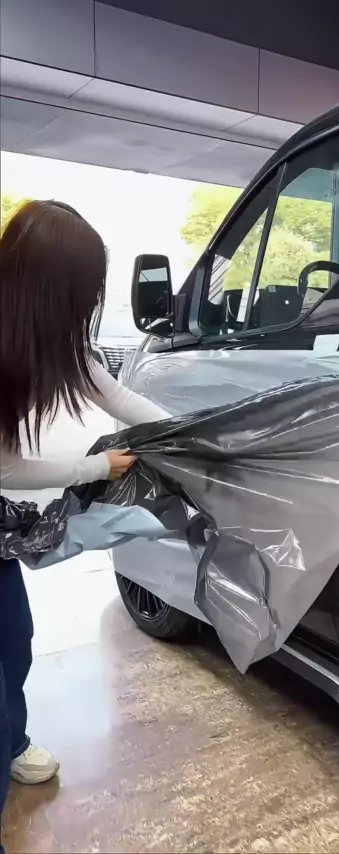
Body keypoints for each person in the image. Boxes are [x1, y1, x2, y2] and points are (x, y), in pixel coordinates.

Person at [0, 200, 169, 823]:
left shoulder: (59, 344)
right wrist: (96, 468)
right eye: (85, 288)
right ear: (51, 288)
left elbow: (121, 399)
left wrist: (200, 436)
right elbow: (3, 469)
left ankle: (12, 740)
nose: (90, 303)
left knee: (14, 644)